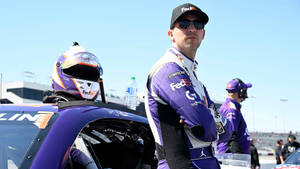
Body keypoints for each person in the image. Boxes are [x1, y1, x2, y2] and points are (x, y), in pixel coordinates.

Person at [144, 3, 232, 169]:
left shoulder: (196, 80)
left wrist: (207, 119)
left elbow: (228, 132)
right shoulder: (167, 69)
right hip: (183, 164)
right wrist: (209, 119)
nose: (192, 29)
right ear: (171, 34)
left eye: (197, 25)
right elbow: (203, 126)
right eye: (184, 24)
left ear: (203, 34)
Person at [44, 42, 102, 169]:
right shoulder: (49, 117)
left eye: (88, 74)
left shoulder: (100, 116)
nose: (85, 78)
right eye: (78, 72)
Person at [217, 78, 252, 154]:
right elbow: (231, 137)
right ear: (241, 91)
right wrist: (238, 158)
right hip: (231, 156)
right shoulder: (231, 109)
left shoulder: (231, 107)